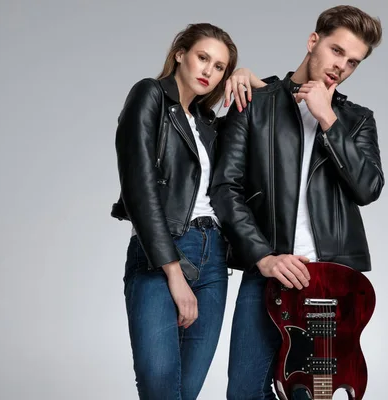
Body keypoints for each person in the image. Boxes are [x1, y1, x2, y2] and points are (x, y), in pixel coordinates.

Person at [209, 5, 385, 400]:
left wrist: (328, 120)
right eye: (337, 51)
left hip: (332, 282)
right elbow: (225, 189)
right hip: (268, 271)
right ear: (313, 42)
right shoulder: (255, 104)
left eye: (353, 62)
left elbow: (369, 188)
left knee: (311, 393)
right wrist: (264, 257)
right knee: (244, 392)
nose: (342, 66)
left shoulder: (356, 121)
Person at [110, 23, 266, 400]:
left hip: (214, 260)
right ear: (180, 53)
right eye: (203, 57)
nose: (208, 71)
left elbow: (262, 121)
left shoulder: (210, 125)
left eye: (220, 67)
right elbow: (139, 190)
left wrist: (252, 79)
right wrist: (174, 275)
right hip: (162, 253)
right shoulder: (149, 95)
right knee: (161, 387)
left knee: (186, 390)